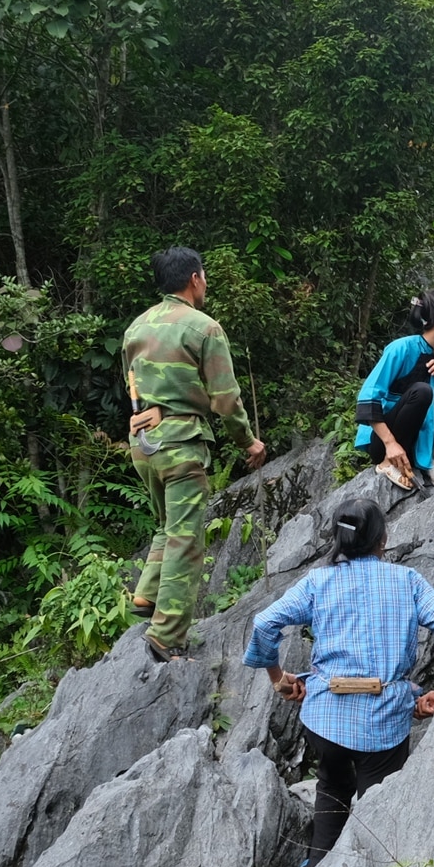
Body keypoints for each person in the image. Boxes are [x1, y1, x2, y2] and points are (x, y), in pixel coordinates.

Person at [246, 498, 434, 867]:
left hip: (324, 718)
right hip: (383, 722)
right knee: (377, 807)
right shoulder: (408, 581)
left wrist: (279, 678)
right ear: (382, 541)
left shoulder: (319, 582)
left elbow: (264, 622)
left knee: (332, 784)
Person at [122, 245, 265, 658]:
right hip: (181, 442)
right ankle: (167, 637)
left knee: (168, 525)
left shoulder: (135, 328)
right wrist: (248, 441)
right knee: (186, 538)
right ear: (195, 279)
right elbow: (225, 398)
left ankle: (146, 597)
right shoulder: (204, 327)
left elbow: (133, 389)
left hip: (142, 442)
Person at [353, 289, 434, 490]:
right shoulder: (401, 348)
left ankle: (429, 462)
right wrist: (390, 444)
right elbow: (368, 395)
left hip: (417, 443)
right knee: (421, 391)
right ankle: (388, 464)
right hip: (385, 442)